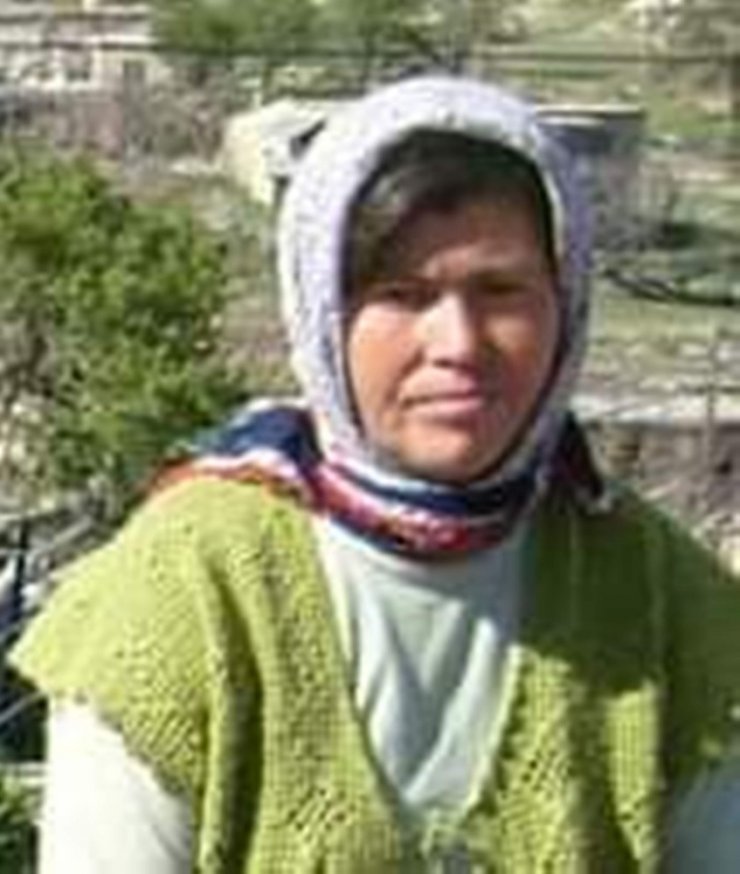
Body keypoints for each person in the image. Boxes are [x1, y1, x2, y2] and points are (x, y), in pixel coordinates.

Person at [9, 75, 740, 873]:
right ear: (323, 310)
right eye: (402, 295)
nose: (458, 344)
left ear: (565, 304)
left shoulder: (661, 595)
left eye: (501, 291)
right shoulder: (180, 592)